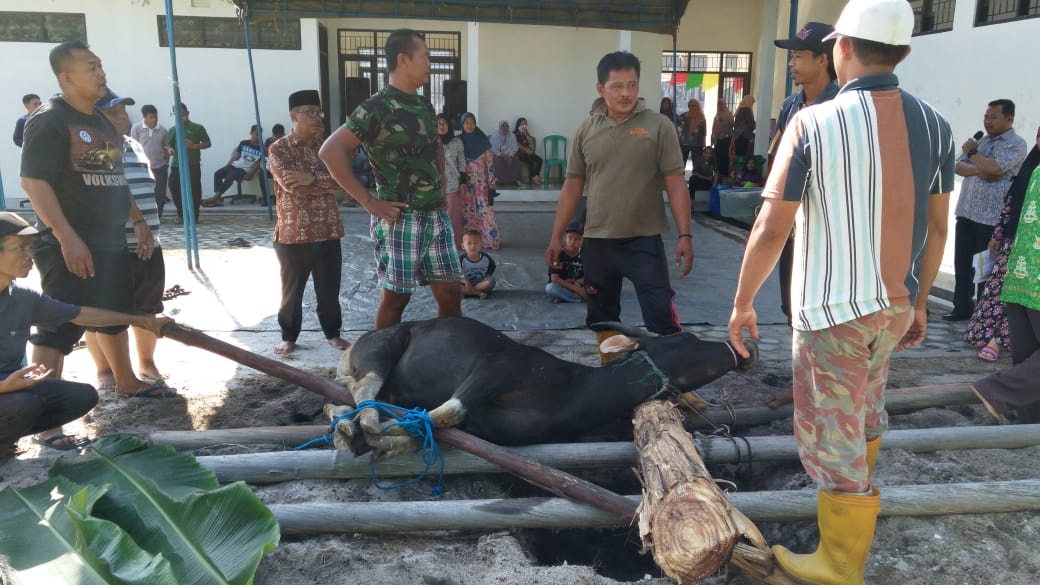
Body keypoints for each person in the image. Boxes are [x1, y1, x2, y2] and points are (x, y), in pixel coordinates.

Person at [727, 2, 955, 583]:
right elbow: (937, 228)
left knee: (831, 434)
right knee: (865, 410)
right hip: (895, 308)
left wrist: (742, 302)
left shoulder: (813, 122)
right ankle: (849, 527)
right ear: (904, 54)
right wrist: (921, 299)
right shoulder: (936, 124)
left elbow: (772, 227)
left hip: (832, 313)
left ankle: (839, 562)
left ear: (840, 47)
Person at [19, 41, 161, 447]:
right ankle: (46, 423)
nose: (101, 73)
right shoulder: (48, 120)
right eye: (91, 67)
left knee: (113, 314)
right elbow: (33, 182)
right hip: (70, 243)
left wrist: (138, 221)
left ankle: (127, 382)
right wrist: (67, 237)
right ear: (67, 78)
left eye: (101, 65)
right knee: (56, 327)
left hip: (110, 241)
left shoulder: (101, 121)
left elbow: (117, 178)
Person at [544, 51, 693, 364]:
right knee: (602, 315)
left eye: (632, 85)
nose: (625, 93)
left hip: (644, 240)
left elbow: (676, 183)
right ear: (601, 89)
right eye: (617, 86)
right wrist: (556, 236)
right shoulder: (586, 131)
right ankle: (612, 373)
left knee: (660, 314)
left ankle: (675, 383)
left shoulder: (658, 126)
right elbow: (572, 187)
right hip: (598, 241)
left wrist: (685, 235)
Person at [319, 29, 462, 329]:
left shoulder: (424, 105)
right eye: (424, 57)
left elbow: (433, 147)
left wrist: (440, 188)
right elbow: (330, 151)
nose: (429, 64)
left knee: (450, 294)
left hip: (435, 216)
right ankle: (377, 365)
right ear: (403, 59)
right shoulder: (376, 107)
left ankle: (448, 357)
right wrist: (369, 201)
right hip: (400, 218)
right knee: (396, 299)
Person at [0, 212, 172, 456]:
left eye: (30, 247)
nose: (30, 256)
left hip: (10, 388)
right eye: (19, 248)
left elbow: (80, 314)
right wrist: (4, 387)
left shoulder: (22, 297)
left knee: (81, 397)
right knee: (24, 405)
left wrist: (140, 320)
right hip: (6, 391)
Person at [84, 89, 175, 398]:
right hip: (113, 246)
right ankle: (107, 369)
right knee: (107, 312)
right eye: (113, 113)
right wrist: (138, 228)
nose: (122, 117)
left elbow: (145, 191)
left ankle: (147, 363)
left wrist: (148, 233)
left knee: (148, 306)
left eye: (122, 111)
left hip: (149, 242)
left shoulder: (133, 145)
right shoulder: (92, 148)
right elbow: (109, 196)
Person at [768, 21, 840, 407]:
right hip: (793, 227)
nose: (792, 64)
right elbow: (778, 160)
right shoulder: (791, 105)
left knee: (824, 307)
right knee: (792, 305)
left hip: (830, 229)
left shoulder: (843, 106)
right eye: (791, 56)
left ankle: (822, 386)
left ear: (823, 59)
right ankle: (803, 382)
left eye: (799, 56)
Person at [269, 90, 349, 355]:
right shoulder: (279, 149)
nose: (317, 118)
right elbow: (290, 185)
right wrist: (321, 182)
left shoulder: (328, 148)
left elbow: (344, 183)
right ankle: (288, 335)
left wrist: (312, 179)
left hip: (327, 229)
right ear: (294, 117)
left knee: (329, 289)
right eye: (310, 113)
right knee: (292, 292)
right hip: (294, 234)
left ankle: (333, 334)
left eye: (319, 113)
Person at [972, 137, 1040, 425]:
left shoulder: (1035, 171)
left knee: (1027, 358)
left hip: (1019, 277)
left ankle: (1028, 427)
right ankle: (997, 391)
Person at [945, 99, 1028, 321]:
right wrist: (980, 169)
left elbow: (996, 168)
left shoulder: (1016, 144)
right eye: (986, 117)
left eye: (993, 117)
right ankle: (961, 307)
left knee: (984, 268)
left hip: (992, 217)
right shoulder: (981, 142)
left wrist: (974, 155)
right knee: (962, 262)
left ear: (1009, 118)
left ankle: (982, 316)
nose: (987, 121)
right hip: (967, 211)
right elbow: (958, 167)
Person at [964, 125, 1040, 363]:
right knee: (1001, 296)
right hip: (1016, 246)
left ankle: (1001, 343)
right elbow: (1011, 203)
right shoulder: (1031, 169)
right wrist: (999, 234)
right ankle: (993, 339)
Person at [459, 112, 501, 250]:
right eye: (466, 123)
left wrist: (492, 182)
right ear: (462, 125)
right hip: (466, 183)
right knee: (468, 212)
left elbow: (490, 164)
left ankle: (490, 240)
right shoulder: (459, 142)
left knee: (485, 211)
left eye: (472, 122)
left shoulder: (483, 141)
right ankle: (469, 242)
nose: (469, 125)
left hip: (481, 184)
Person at [166, 102, 211, 223]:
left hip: (193, 164)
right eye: (177, 115)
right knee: (174, 188)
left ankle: (194, 216)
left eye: (182, 114)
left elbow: (207, 143)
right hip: (176, 165)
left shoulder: (198, 127)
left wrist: (194, 146)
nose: (180, 117)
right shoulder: (173, 129)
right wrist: (170, 149)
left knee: (194, 190)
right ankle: (181, 215)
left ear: (187, 113)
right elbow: (168, 144)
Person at [201, 125, 266, 207]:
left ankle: (215, 198)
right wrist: (227, 166)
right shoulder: (243, 143)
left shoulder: (262, 148)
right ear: (251, 133)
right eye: (256, 134)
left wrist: (251, 173)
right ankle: (218, 200)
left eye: (260, 135)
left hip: (246, 169)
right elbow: (236, 156)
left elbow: (259, 163)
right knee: (217, 173)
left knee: (231, 176)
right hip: (236, 165)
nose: (258, 137)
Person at [130, 104, 170, 217]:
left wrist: (167, 159)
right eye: (151, 117)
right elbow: (132, 146)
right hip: (142, 167)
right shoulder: (136, 128)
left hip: (160, 166)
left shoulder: (162, 129)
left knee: (160, 193)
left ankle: (158, 216)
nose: (154, 120)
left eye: (156, 117)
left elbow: (166, 146)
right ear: (144, 117)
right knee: (144, 193)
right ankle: (145, 216)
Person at [437, 113, 467, 249]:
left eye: (444, 124)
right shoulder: (430, 141)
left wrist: (463, 182)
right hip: (435, 186)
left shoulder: (456, 142)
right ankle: (438, 245)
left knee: (452, 216)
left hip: (453, 185)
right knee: (436, 217)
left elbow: (462, 163)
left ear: (449, 126)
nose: (442, 126)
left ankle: (453, 244)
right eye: (439, 124)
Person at [546, 223, 585, 304]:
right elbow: (555, 278)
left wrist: (578, 283)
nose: (572, 242)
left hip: (579, 284)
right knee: (550, 288)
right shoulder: (557, 254)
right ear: (565, 237)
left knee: (597, 288)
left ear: (583, 241)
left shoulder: (586, 255)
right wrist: (576, 289)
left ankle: (564, 297)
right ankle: (578, 299)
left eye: (577, 239)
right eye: (570, 237)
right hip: (562, 286)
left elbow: (589, 276)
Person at [459, 229, 496, 299]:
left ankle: (468, 292)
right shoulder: (461, 259)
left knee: (491, 281)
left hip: (480, 283)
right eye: (469, 243)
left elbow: (492, 266)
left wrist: (487, 275)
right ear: (463, 245)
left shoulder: (486, 258)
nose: (473, 246)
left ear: (481, 244)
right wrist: (464, 281)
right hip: (466, 284)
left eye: (476, 243)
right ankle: (477, 293)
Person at [677, 98, 707, 170]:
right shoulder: (684, 115)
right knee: (682, 161)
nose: (692, 107)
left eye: (694, 105)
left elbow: (704, 132)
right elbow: (677, 123)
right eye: (690, 105)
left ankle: (695, 177)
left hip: (697, 143)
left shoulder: (701, 118)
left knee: (696, 161)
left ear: (697, 105)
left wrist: (704, 142)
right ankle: (681, 176)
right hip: (684, 142)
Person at [490, 119, 521, 185]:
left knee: (516, 160)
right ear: (500, 127)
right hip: (497, 155)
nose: (505, 128)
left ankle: (513, 180)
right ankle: (499, 181)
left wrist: (510, 156)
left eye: (507, 126)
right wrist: (501, 155)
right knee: (498, 162)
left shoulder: (512, 135)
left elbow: (515, 148)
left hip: (510, 155)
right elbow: (492, 148)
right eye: (503, 126)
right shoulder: (495, 135)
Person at [513, 117, 543, 185]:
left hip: (528, 152)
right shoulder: (514, 133)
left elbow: (531, 142)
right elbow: (517, 145)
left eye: (525, 124)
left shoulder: (526, 132)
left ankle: (535, 176)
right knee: (531, 161)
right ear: (518, 124)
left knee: (540, 160)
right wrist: (526, 150)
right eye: (522, 124)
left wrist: (526, 134)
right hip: (519, 153)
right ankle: (534, 178)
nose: (524, 126)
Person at [711, 98, 735, 178]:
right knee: (717, 156)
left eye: (722, 104)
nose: (720, 105)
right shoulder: (717, 114)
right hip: (718, 139)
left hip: (726, 138)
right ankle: (718, 174)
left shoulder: (728, 114)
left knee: (724, 156)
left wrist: (723, 121)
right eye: (719, 104)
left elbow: (732, 124)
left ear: (725, 104)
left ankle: (724, 175)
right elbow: (714, 127)